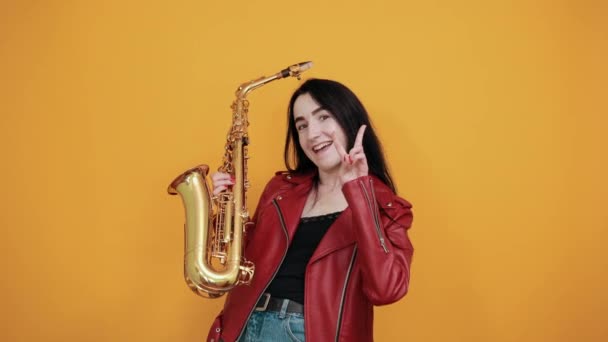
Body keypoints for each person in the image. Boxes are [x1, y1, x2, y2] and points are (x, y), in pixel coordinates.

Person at [207, 78, 414, 342]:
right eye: (301, 125)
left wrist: (359, 191)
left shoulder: (388, 207)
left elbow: (386, 289)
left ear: (348, 119)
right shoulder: (280, 190)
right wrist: (223, 213)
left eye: (323, 117)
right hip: (244, 328)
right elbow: (243, 262)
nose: (312, 133)